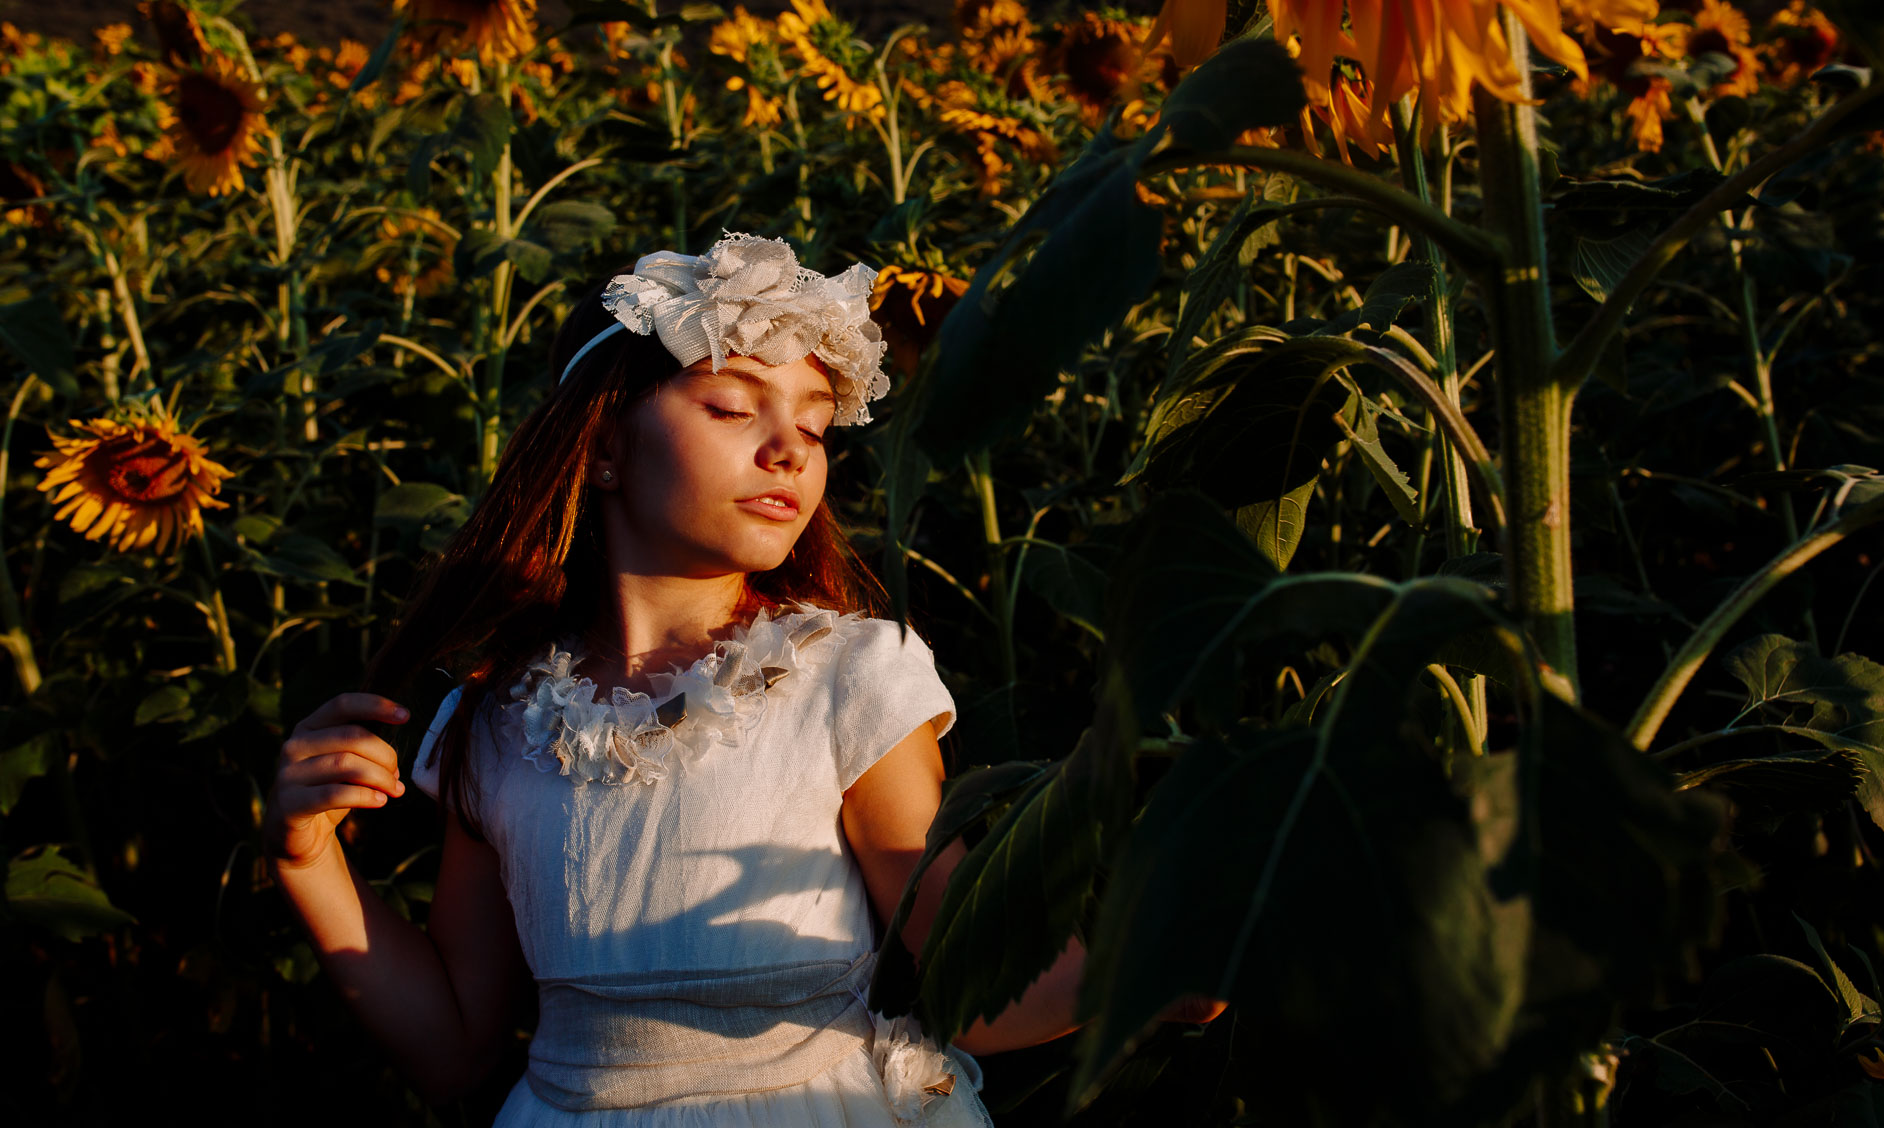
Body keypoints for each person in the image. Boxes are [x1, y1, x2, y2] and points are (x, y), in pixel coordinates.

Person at [264, 233, 1223, 1126]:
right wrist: (311, 864)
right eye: (732, 407)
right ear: (599, 446)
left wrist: (1157, 967)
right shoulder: (497, 719)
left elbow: (969, 986)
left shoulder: (845, 673)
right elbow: (457, 1051)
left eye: (816, 426)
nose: (790, 449)